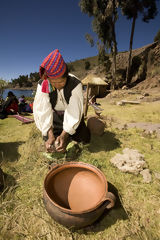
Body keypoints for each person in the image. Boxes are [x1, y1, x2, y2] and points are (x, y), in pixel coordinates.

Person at [33, 49, 90, 153]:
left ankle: (67, 136)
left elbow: (74, 111)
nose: (57, 85)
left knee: (84, 138)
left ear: (67, 76)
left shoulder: (75, 83)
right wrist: (50, 134)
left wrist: (64, 135)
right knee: (51, 141)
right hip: (54, 117)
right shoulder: (43, 84)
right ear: (48, 79)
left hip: (73, 115)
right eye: (53, 82)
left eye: (61, 81)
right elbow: (43, 110)